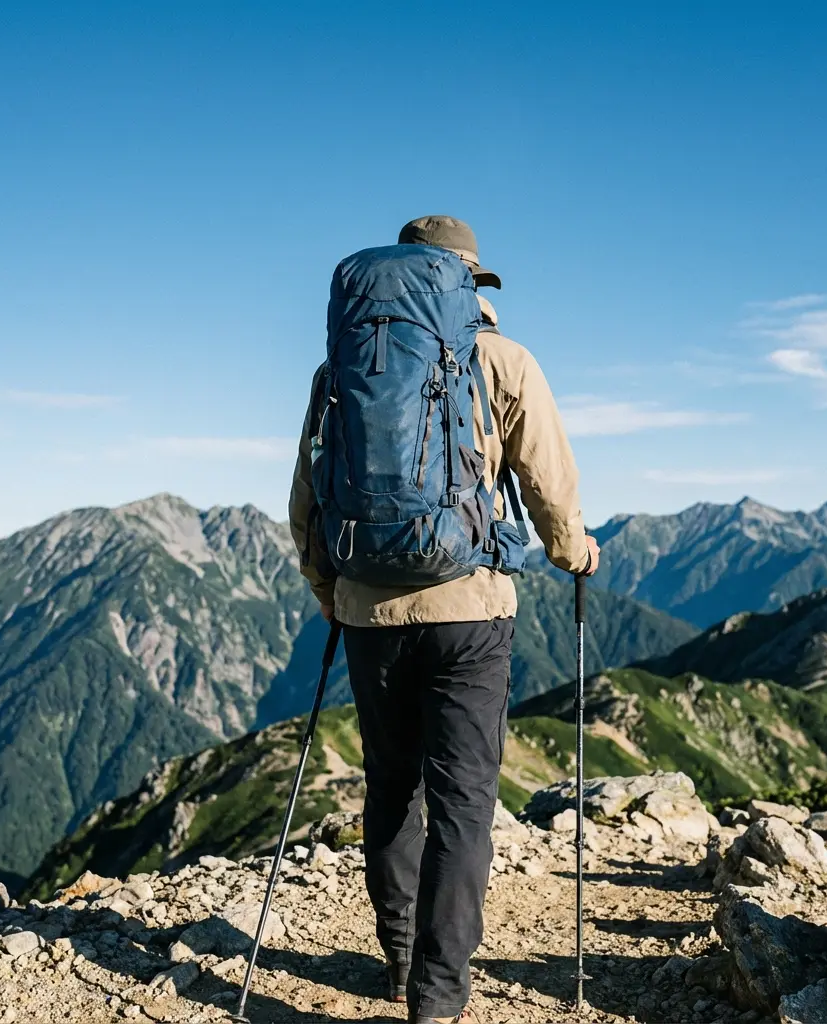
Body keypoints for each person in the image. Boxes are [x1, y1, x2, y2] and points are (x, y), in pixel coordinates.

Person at [289, 215, 599, 1024]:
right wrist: (575, 553)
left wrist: (332, 590)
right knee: (463, 802)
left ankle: (395, 960)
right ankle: (438, 996)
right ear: (471, 283)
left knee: (392, 785)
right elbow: (549, 487)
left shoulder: (340, 369)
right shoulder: (505, 360)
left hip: (367, 610)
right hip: (469, 606)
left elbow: (309, 499)